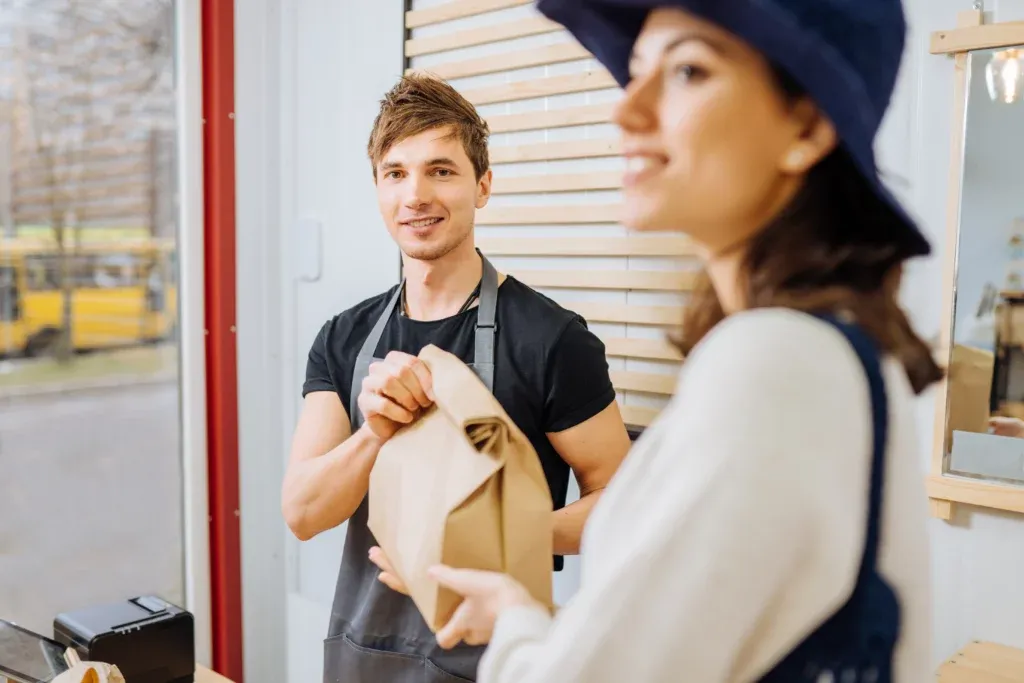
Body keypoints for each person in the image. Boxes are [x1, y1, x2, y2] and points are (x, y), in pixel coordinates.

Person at [382, 1, 943, 681]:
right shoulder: (834, 353)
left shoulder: (774, 367)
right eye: (636, 72)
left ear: (807, 123)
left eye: (687, 70)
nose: (626, 109)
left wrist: (523, 631)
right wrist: (519, 617)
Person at [280, 73, 631, 683]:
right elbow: (304, 512)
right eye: (396, 173)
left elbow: (625, 507)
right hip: (364, 655)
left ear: (483, 186)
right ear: (379, 190)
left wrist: (509, 536)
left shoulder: (553, 340)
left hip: (500, 661)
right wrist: (374, 432)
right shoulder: (343, 340)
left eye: (441, 170)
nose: (415, 194)